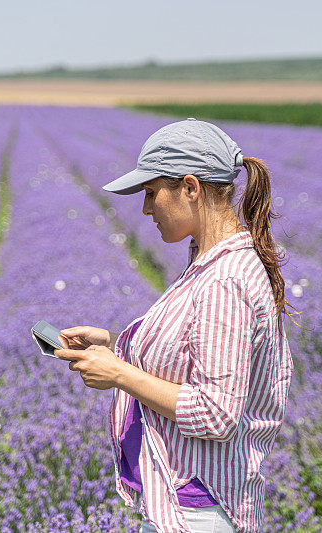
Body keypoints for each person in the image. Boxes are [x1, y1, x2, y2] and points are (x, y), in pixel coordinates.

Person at [54, 118, 296, 532]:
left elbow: (215, 413)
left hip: (198, 513)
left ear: (190, 188)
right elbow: (194, 349)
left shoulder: (224, 279)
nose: (146, 209)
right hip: (186, 504)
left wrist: (119, 373)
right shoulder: (211, 260)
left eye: (150, 193)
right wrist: (114, 343)